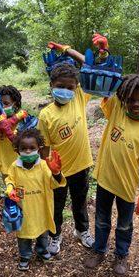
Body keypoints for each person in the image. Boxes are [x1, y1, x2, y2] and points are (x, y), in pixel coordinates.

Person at [84, 72, 139, 275]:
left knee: (124, 224)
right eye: (131, 99)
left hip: (127, 187)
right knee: (102, 219)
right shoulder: (117, 110)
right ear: (125, 98)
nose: (135, 104)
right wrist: (104, 54)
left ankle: (121, 254)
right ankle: (99, 250)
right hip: (105, 180)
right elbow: (107, 77)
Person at [38, 45, 95, 255]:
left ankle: (83, 231)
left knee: (80, 202)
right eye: (60, 85)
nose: (65, 90)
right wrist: (47, 168)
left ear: (76, 87)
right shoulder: (46, 114)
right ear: (52, 85)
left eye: (70, 87)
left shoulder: (79, 97)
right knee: (57, 205)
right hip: (58, 170)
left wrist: (69, 50)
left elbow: (90, 67)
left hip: (81, 165)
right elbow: (43, 146)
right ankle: (55, 235)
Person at [5, 128, 66, 271]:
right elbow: (10, 180)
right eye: (23, 148)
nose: (27, 151)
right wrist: (10, 189)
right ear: (17, 150)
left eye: (32, 148)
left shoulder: (44, 166)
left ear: (39, 148)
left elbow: (54, 182)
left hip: (41, 208)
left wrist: (56, 173)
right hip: (24, 207)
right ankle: (25, 256)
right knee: (24, 235)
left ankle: (42, 250)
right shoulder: (15, 166)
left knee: (42, 231)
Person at [0, 85, 23, 179]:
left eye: (6, 103)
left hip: (21, 159)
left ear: (15, 104)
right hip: (5, 160)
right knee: (8, 184)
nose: (3, 107)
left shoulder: (22, 119)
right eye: (0, 104)